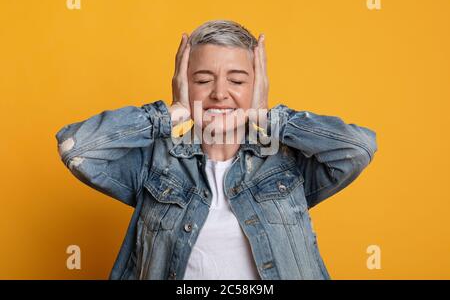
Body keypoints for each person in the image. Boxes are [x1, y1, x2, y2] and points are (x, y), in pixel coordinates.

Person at [55, 19, 377, 280]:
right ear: (183, 82)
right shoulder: (154, 165)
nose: (219, 93)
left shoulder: (286, 163)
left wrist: (267, 117)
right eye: (203, 79)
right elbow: (78, 148)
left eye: (237, 80)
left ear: (257, 85)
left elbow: (358, 148)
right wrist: (170, 112)